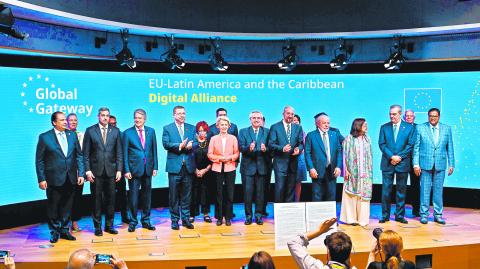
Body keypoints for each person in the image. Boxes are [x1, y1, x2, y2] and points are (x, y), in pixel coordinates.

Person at [35, 111, 85, 243]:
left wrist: (81, 173)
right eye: (62, 120)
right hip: (53, 178)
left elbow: (79, 155)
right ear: (54, 122)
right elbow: (39, 160)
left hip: (71, 177)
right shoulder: (45, 137)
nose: (65, 122)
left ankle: (64, 230)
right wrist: (41, 178)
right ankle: (54, 231)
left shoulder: (72, 135)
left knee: (67, 205)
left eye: (65, 120)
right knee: (53, 206)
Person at [83, 107, 123, 236]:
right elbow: (85, 154)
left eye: (107, 115)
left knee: (111, 200)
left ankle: (109, 226)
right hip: (95, 172)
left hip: (111, 171)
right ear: (98, 117)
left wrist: (119, 170)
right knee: (96, 200)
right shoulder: (90, 131)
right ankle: (98, 227)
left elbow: (119, 153)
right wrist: (87, 170)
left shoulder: (116, 131)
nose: (105, 118)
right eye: (102, 115)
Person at [413, 108, 454, 225]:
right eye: (430, 116)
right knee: (425, 191)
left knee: (438, 191)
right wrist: (416, 164)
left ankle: (438, 215)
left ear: (439, 117)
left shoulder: (446, 128)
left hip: (440, 164)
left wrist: (451, 164)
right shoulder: (420, 128)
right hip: (425, 164)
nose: (432, 118)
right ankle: (424, 215)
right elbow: (416, 147)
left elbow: (450, 147)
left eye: (435, 116)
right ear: (428, 116)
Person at [378, 105, 415, 224]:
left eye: (394, 114)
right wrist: (391, 156)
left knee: (401, 191)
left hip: (402, 163)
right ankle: (385, 216)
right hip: (387, 163)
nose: (391, 116)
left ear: (400, 114)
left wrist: (399, 157)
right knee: (386, 191)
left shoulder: (409, 127)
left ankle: (399, 216)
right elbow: (382, 144)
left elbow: (410, 145)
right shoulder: (384, 127)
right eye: (390, 114)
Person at [123, 109, 158, 232]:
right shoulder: (127, 133)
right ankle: (133, 221)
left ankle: (146, 221)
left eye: (140, 118)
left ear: (145, 119)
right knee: (133, 197)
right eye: (136, 117)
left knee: (147, 197)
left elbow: (154, 150)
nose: (137, 120)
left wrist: (155, 167)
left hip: (148, 169)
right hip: (133, 171)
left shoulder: (151, 131)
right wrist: (126, 170)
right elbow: (125, 154)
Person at [162, 106, 197, 230]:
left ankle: (186, 219)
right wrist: (180, 146)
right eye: (179, 113)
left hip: (188, 167)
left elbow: (197, 143)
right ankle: (175, 220)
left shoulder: (192, 128)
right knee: (174, 196)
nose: (182, 115)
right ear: (174, 115)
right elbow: (166, 144)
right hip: (174, 167)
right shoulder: (167, 128)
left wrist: (191, 145)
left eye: (184, 113)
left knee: (187, 195)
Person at [340, 118, 373, 227]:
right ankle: (351, 219)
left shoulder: (367, 139)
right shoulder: (349, 139)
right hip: (352, 173)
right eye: (364, 125)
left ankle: (362, 219)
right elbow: (344, 155)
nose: (366, 127)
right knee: (351, 196)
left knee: (363, 196)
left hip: (365, 173)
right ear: (358, 126)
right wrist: (346, 170)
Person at [288, 218, 357, 269]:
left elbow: (293, 242)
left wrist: (319, 231)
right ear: (349, 255)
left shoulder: (315, 267)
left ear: (328, 252)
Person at [208, 116, 240, 226]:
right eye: (222, 124)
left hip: (230, 167)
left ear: (229, 126)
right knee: (218, 193)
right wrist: (219, 159)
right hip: (217, 168)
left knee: (229, 194)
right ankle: (219, 217)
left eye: (226, 125)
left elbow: (237, 153)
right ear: (218, 126)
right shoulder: (213, 139)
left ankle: (228, 218)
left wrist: (230, 158)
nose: (224, 126)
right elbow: (210, 154)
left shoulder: (233, 138)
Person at [239, 111, 270, 225]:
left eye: (258, 118)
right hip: (248, 168)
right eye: (254, 118)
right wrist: (249, 148)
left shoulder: (267, 132)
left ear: (262, 119)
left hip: (262, 167)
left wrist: (265, 149)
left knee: (260, 194)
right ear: (250, 119)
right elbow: (241, 148)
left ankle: (258, 216)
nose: (256, 120)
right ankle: (248, 216)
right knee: (247, 194)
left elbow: (271, 148)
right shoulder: (243, 131)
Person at [268, 106, 304, 203]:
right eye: (288, 113)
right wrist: (282, 148)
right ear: (283, 114)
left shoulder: (298, 128)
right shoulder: (275, 127)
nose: (290, 116)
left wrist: (298, 149)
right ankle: (279, 213)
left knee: (290, 190)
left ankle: (288, 213)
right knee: (279, 189)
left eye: (292, 114)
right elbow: (271, 144)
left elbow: (301, 144)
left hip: (293, 163)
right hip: (280, 163)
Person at [305, 113, 343, 202]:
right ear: (318, 124)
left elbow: (339, 151)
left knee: (331, 195)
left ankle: (330, 216)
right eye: (324, 123)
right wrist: (311, 168)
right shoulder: (311, 135)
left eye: (328, 123)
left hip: (332, 169)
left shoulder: (334, 135)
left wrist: (338, 166)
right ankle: (317, 215)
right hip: (317, 170)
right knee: (317, 195)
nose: (327, 125)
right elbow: (307, 153)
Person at [190, 121, 213, 223]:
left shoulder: (210, 143)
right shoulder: (192, 144)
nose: (202, 133)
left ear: (207, 132)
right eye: (200, 131)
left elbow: (212, 159)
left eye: (204, 131)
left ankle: (206, 213)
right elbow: (189, 158)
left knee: (206, 193)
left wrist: (205, 170)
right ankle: (192, 215)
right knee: (193, 193)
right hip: (193, 172)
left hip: (207, 172)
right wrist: (196, 170)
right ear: (197, 132)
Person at [109, 115, 130, 224]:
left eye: (115, 123)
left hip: (119, 171)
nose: (113, 125)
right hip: (107, 171)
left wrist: (122, 170)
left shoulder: (121, 135)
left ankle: (125, 216)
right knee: (109, 197)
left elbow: (124, 153)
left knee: (123, 195)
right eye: (111, 123)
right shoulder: (103, 135)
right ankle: (110, 219)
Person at [67, 113, 85, 232]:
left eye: (75, 120)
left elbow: (84, 155)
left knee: (77, 199)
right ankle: (64, 224)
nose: (73, 122)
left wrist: (83, 173)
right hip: (66, 173)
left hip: (79, 173)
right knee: (66, 199)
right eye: (71, 120)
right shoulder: (63, 135)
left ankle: (74, 223)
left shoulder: (81, 135)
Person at [403, 110, 420, 217]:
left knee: (416, 186)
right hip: (403, 161)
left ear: (414, 117)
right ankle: (400, 211)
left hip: (416, 162)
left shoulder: (419, 128)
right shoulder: (401, 128)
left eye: (411, 116)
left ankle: (416, 210)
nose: (409, 117)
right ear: (404, 117)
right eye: (407, 116)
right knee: (402, 187)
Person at [293, 115, 307, 202]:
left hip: (299, 159)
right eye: (293, 120)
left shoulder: (302, 132)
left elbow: (304, 145)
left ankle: (297, 201)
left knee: (298, 182)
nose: (294, 122)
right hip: (289, 159)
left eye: (296, 120)